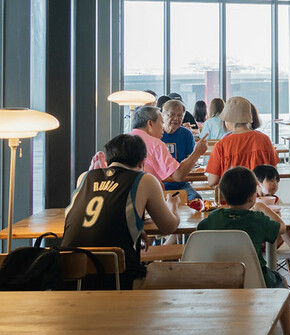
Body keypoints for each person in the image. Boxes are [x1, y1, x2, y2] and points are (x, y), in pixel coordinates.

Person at [198, 166, 290, 335]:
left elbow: (200, 230)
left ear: (224, 195)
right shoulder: (256, 219)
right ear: (253, 196)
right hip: (255, 279)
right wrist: (262, 207)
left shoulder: (213, 218)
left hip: (218, 280)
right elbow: (282, 228)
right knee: (282, 283)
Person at [62, 133, 180, 289]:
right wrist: (173, 205)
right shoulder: (145, 180)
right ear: (142, 162)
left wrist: (132, 226)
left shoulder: (85, 177)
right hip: (117, 278)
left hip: (69, 274)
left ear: (109, 159)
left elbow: (73, 217)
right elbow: (169, 227)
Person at [205, 96, 279, 188]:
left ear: (229, 120)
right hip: (259, 195)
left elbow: (212, 181)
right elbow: (274, 170)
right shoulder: (265, 139)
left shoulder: (221, 145)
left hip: (233, 195)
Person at [130, 105, 207, 185]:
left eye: (180, 115)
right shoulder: (155, 144)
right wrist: (197, 152)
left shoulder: (125, 140)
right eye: (162, 122)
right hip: (145, 190)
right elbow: (178, 176)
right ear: (150, 124)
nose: (163, 126)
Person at [252, 164, 290, 265]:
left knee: (282, 224)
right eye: (271, 180)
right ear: (257, 183)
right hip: (255, 242)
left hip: (273, 242)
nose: (275, 184)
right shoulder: (251, 200)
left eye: (277, 181)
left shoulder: (276, 200)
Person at [160, 99, 202, 201]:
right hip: (158, 183)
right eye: (172, 115)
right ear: (163, 115)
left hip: (181, 184)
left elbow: (191, 160)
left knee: (196, 199)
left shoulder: (186, 134)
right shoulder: (156, 133)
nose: (176, 119)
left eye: (180, 116)